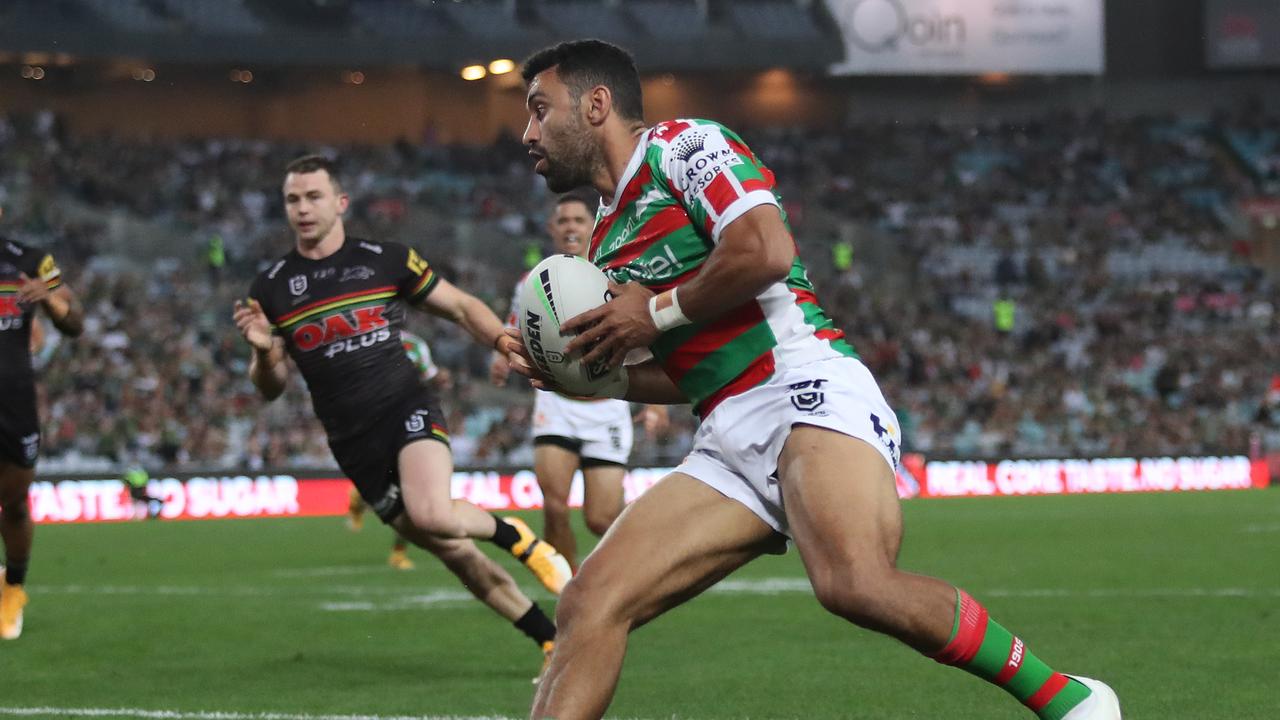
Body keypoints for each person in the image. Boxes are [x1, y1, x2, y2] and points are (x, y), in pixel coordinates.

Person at [508, 40, 1121, 718]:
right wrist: (591, 380)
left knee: (854, 583)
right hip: (725, 428)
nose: (528, 133)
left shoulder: (684, 148)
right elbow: (688, 373)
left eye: (540, 110)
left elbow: (767, 250)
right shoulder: (602, 239)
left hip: (805, 387)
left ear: (597, 105)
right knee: (588, 603)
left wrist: (651, 313)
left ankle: (1070, 700)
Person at [233, 155, 570, 673]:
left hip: (405, 408)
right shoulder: (272, 287)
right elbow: (271, 388)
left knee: (435, 513)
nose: (302, 208)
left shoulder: (384, 259)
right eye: (293, 199)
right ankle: (551, 642)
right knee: (455, 553)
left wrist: (504, 342)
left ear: (340, 202)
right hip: (351, 441)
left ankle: (517, 538)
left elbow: (458, 306)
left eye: (313, 196)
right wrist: (261, 350)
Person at [489, 192, 669, 572]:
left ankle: (634, 569)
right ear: (552, 230)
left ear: (594, 226)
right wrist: (501, 353)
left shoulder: (617, 275)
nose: (570, 226)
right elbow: (513, 326)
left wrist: (655, 404)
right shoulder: (532, 283)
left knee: (601, 519)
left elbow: (646, 339)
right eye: (563, 220)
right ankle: (566, 587)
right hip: (557, 405)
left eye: (578, 220)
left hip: (607, 409)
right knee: (554, 505)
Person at [0, 208, 85, 640]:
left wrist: (49, 297)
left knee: (13, 505)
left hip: (14, 406)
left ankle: (12, 590)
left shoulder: (29, 261)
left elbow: (75, 322)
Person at [346, 330, 452, 571]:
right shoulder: (364, 343)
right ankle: (358, 500)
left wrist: (440, 378)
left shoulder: (416, 346)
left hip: (408, 422)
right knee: (379, 483)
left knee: (409, 491)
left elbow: (430, 374)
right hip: (375, 423)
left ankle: (398, 553)